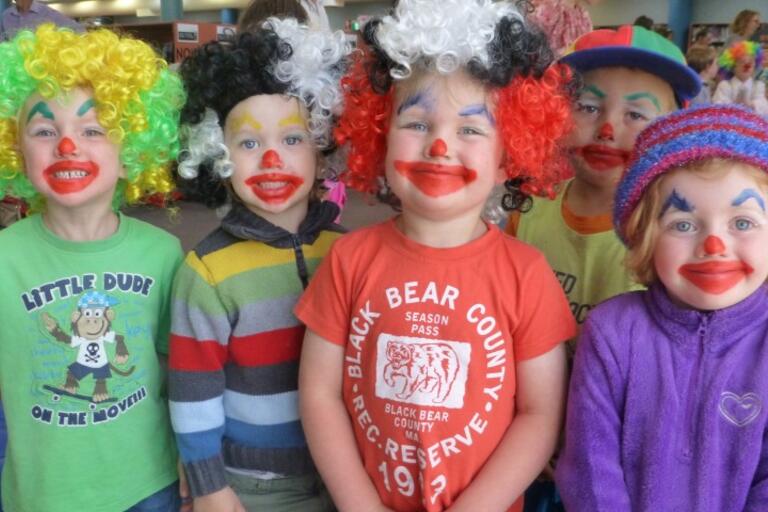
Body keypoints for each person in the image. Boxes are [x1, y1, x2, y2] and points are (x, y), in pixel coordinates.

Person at [295, 0, 577, 510]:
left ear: (507, 156)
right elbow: (320, 395)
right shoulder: (348, 259)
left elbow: (540, 415)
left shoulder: (526, 274)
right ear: (377, 135)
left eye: (470, 129)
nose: (441, 146)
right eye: (417, 124)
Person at [168, 9, 351, 512]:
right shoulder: (207, 271)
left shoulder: (348, 252)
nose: (272, 161)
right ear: (217, 153)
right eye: (249, 143)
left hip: (347, 472)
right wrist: (208, 487)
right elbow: (192, 392)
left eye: (292, 140)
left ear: (320, 149)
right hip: (253, 484)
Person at [0, 23, 186, 511]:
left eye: (93, 129)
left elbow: (177, 371)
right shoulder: (4, 259)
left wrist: (193, 461)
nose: (67, 146)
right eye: (44, 130)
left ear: (133, 153)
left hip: (149, 485)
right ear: (16, 152)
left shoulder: (163, 253)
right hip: (41, 495)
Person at [556, 103, 768, 511]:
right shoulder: (612, 332)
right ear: (644, 235)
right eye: (683, 224)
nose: (714, 246)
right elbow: (590, 469)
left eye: (742, 222)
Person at [506, 25, 701, 328]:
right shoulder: (527, 211)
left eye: (635, 115)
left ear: (671, 130)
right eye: (588, 107)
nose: (607, 130)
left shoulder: (675, 229)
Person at [713, 41, 768, 115]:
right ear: (733, 66)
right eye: (742, 62)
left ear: (755, 66)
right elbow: (718, 106)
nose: (747, 66)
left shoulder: (758, 85)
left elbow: (764, 106)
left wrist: (750, 104)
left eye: (750, 63)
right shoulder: (725, 85)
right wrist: (735, 106)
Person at [0, 0, 81, 41]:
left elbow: (79, 30)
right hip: (15, 66)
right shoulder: (6, 15)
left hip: (40, 67)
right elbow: (2, 41)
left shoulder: (47, 12)